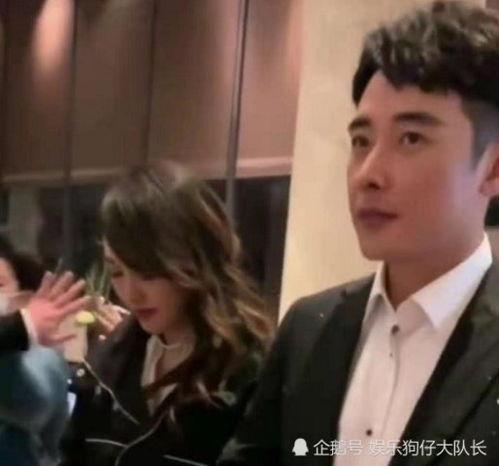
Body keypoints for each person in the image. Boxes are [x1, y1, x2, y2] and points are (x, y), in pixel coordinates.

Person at [217, 2, 499, 465]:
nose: (367, 174)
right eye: (361, 141)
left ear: (492, 169)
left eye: (411, 139)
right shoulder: (310, 328)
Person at [62, 162, 273, 466]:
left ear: (195, 259)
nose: (131, 294)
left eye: (148, 272)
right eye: (116, 272)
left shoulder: (247, 373)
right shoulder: (108, 365)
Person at [0, 235, 90, 465]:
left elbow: (36, 408)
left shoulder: (44, 357)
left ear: (22, 296)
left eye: (0, 284)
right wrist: (24, 325)